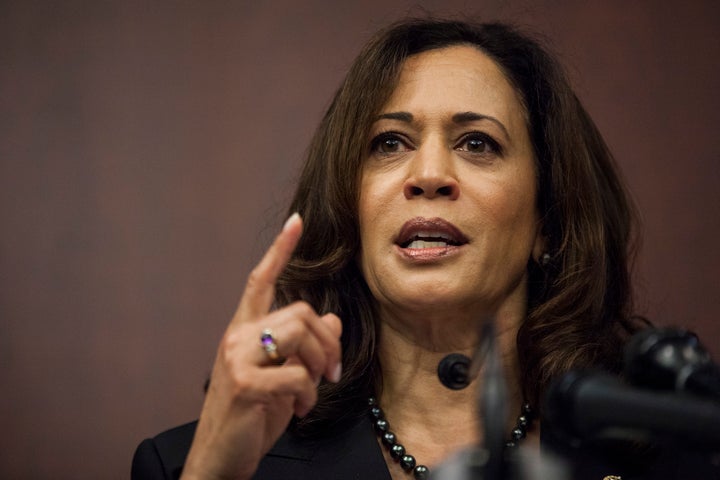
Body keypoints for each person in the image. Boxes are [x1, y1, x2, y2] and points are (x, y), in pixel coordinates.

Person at [132, 18, 719, 480]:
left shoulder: (669, 454)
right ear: (350, 208)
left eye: (477, 143)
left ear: (548, 218)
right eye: (389, 142)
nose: (429, 173)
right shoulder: (194, 466)